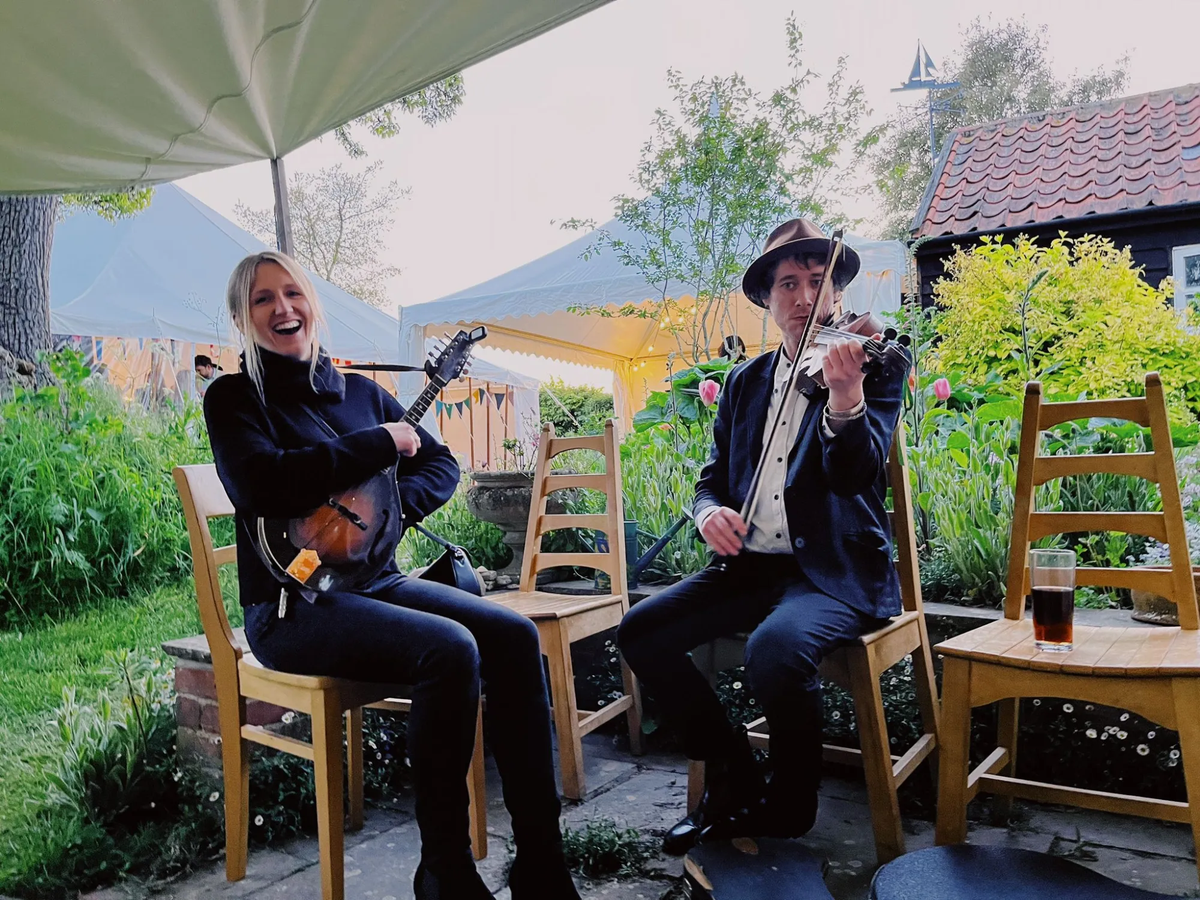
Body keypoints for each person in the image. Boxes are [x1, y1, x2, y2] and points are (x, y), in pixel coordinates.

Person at [203, 251, 580, 900]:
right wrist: (378, 443)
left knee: (514, 638)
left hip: (377, 584)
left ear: (312, 305)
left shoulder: (360, 392)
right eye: (262, 299)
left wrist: (385, 514)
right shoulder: (235, 399)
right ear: (242, 317)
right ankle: (444, 870)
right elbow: (261, 483)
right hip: (293, 607)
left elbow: (440, 465)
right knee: (449, 649)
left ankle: (541, 863)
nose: (282, 308)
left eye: (293, 293)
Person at [617, 219, 907, 855]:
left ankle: (790, 804)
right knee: (640, 631)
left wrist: (845, 398)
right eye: (788, 284)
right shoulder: (745, 383)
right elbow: (711, 479)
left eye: (817, 281)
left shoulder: (873, 366)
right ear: (767, 300)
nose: (804, 297)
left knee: (775, 648)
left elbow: (855, 476)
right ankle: (731, 770)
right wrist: (707, 513)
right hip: (750, 568)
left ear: (837, 292)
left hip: (832, 571)